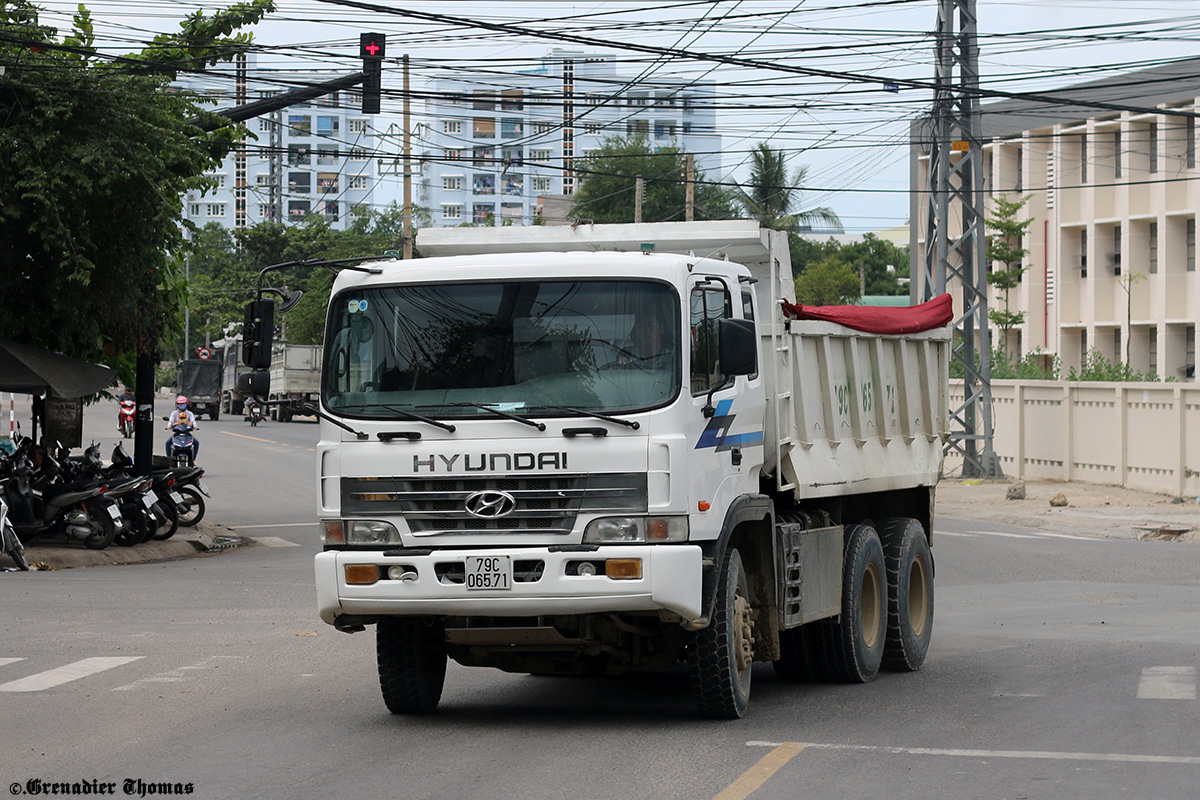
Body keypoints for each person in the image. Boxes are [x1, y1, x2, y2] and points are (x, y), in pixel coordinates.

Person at [164, 395, 200, 459]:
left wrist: (195, 426)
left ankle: (193, 459)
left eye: (183, 404)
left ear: (186, 404)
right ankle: (168, 459)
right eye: (180, 404)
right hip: (177, 434)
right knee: (168, 443)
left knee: (196, 442)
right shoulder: (174, 413)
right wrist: (168, 427)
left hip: (187, 434)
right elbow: (171, 421)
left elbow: (193, 421)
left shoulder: (189, 413)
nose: (182, 405)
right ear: (177, 405)